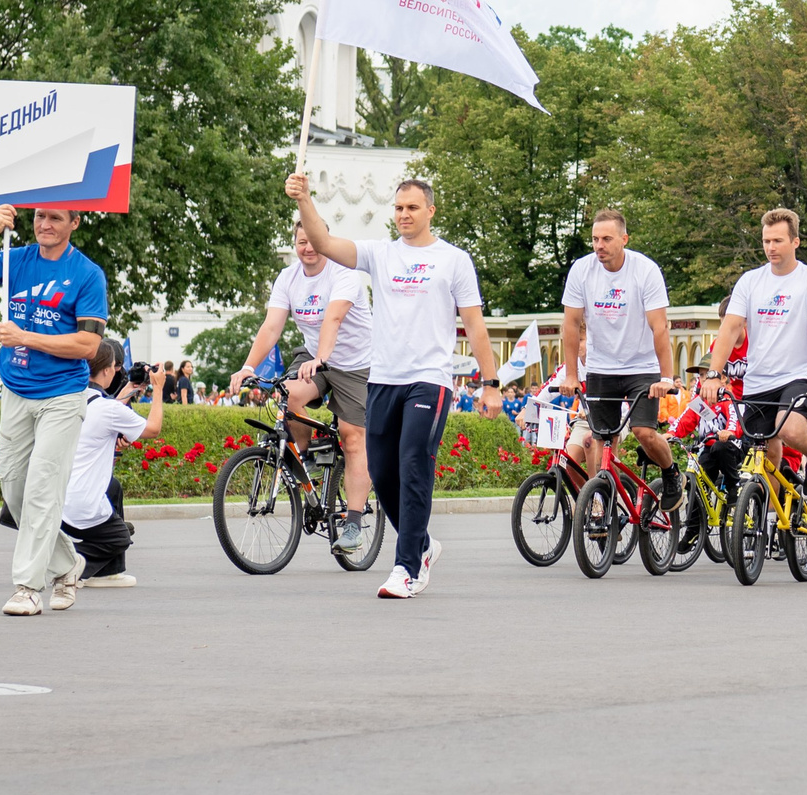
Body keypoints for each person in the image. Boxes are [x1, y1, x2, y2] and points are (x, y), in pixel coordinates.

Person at [286, 172, 501, 599]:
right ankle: (422, 543)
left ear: (431, 211)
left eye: (412, 208)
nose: (404, 215)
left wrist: (490, 382)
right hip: (383, 378)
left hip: (430, 381)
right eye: (399, 208)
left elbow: (474, 325)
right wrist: (305, 200)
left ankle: (407, 568)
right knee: (382, 474)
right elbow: (326, 244)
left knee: (414, 465)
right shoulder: (380, 254)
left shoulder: (453, 259)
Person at [0, 204, 111, 617]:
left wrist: (25, 337)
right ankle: (67, 563)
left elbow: (88, 348)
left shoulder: (88, 275)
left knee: (42, 488)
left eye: (56, 218)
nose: (45, 224)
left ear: (74, 223)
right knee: (14, 487)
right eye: (39, 216)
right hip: (17, 391)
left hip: (62, 395)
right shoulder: (15, 259)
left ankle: (27, 587)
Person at [234, 225, 376, 546]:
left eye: (313, 241)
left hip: (356, 363)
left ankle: (352, 524)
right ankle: (306, 460)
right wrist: (247, 367)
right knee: (287, 395)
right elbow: (272, 327)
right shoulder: (288, 278)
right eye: (301, 242)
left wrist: (322, 357)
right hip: (315, 355)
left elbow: (333, 320)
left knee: (353, 439)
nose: (308, 248)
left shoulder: (344, 274)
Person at [553, 207, 681, 521]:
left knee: (643, 432)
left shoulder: (645, 271)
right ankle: (601, 504)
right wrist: (571, 374)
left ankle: (670, 472)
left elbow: (660, 327)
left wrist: (667, 376)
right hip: (601, 367)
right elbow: (571, 324)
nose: (599, 245)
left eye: (607, 238)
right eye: (595, 239)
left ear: (624, 239)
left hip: (641, 366)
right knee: (600, 437)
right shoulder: (582, 270)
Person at [702, 208, 807, 492]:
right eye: (766, 241)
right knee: (765, 453)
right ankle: (769, 521)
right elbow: (729, 328)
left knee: (789, 429)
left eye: (778, 241)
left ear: (795, 242)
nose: (770, 248)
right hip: (759, 380)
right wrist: (714, 374)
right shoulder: (751, 281)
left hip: (797, 376)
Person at [63, 336, 160, 587]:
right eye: (117, 366)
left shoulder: (69, 397)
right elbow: (153, 429)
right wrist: (158, 389)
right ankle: (75, 568)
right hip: (80, 508)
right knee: (121, 536)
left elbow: (103, 411)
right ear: (107, 369)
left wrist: (129, 390)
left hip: (54, 501)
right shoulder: (109, 410)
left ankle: (107, 571)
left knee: (113, 487)